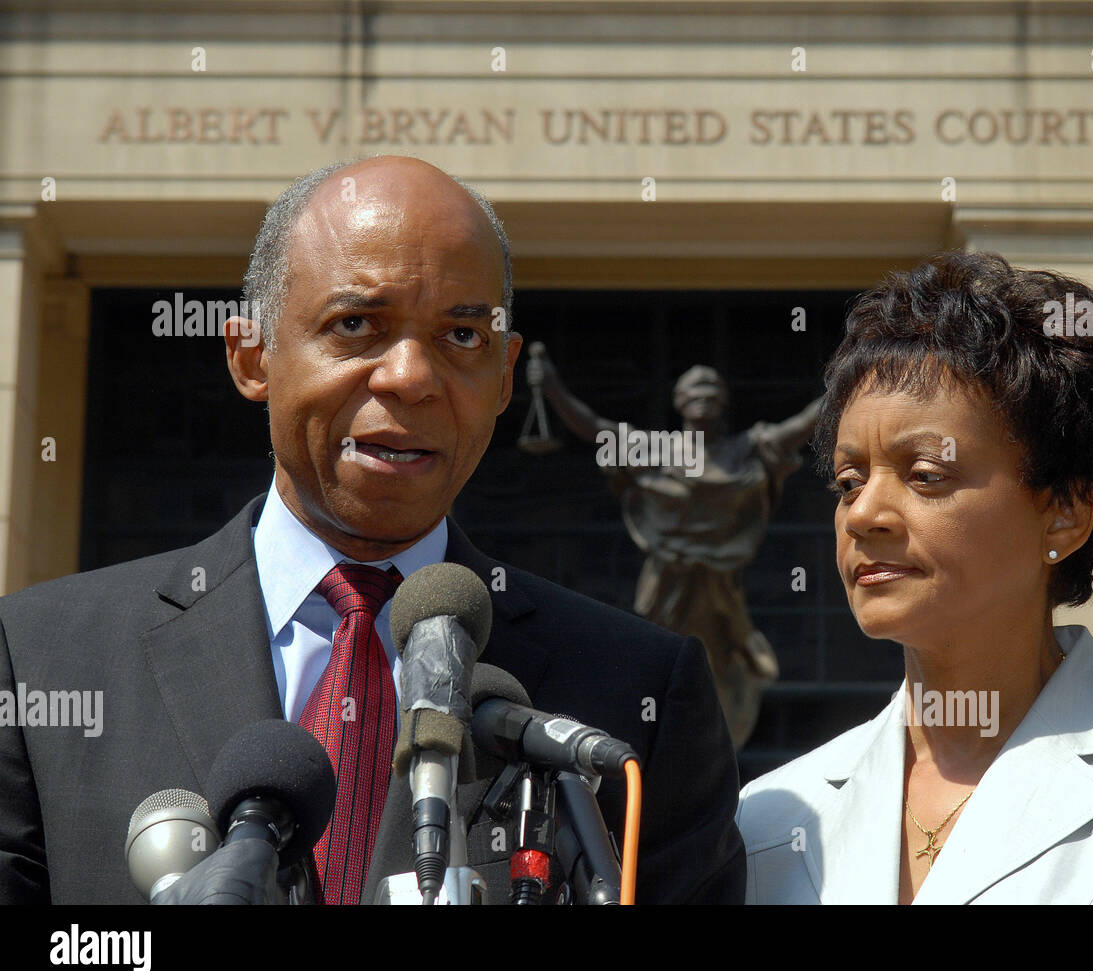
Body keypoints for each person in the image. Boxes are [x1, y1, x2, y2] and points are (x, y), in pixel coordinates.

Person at [0, 155, 744, 904]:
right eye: (356, 324)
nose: (410, 376)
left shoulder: (638, 696)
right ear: (251, 354)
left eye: (462, 335)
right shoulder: (42, 662)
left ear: (506, 378)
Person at [737, 250, 1093, 904]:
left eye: (926, 475)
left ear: (1064, 512)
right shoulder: (772, 819)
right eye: (848, 481)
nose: (862, 514)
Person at [527, 345, 820, 746]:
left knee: (721, 666)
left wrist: (855, 369)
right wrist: (552, 388)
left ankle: (717, 744)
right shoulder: (658, 450)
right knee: (657, 657)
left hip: (718, 585)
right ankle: (657, 740)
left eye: (711, 393)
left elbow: (802, 425)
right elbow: (594, 427)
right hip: (665, 582)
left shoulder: (743, 450)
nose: (703, 400)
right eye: (694, 393)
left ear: (723, 404)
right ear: (679, 403)